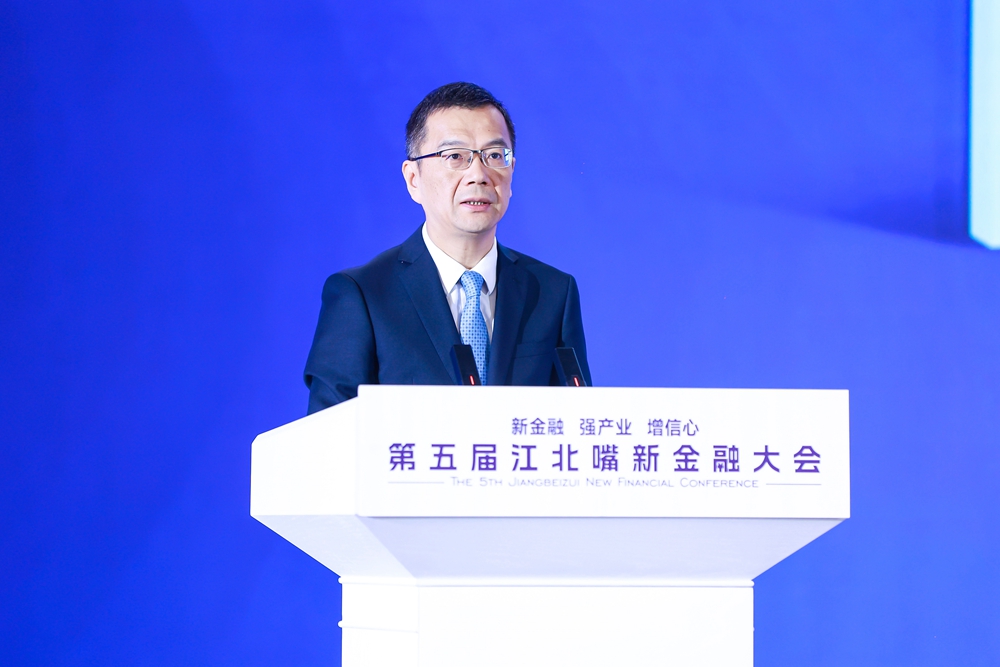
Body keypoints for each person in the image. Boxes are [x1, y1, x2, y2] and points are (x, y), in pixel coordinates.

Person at [303, 82, 591, 413]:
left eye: (494, 156)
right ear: (413, 179)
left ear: (512, 170)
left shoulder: (553, 292)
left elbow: (579, 424)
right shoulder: (363, 296)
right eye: (455, 156)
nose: (479, 175)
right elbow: (328, 431)